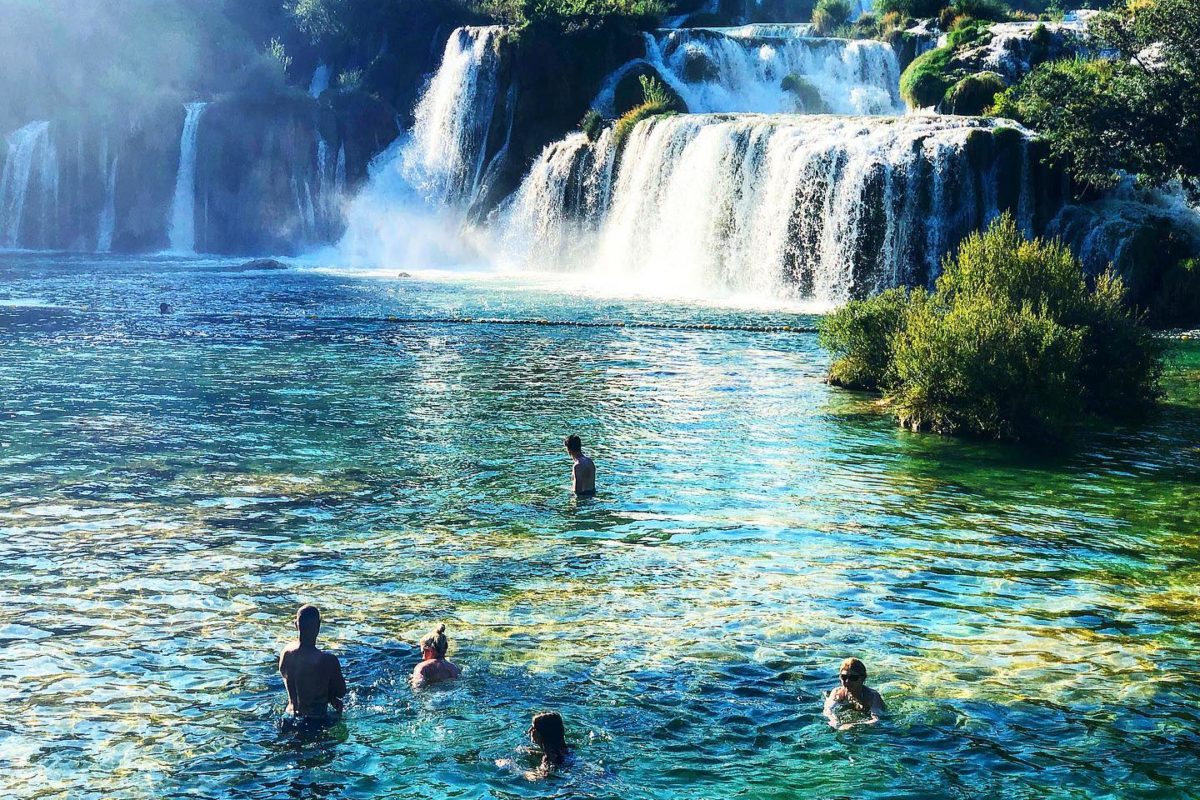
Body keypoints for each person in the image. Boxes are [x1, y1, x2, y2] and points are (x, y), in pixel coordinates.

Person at [278, 604, 347, 722]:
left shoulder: (286, 653)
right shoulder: (327, 660)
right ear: (318, 626)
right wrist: (331, 697)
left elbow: (297, 681)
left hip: (289, 717)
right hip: (315, 721)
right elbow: (341, 692)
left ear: (296, 625)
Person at [823, 657, 885, 730]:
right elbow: (828, 711)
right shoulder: (837, 693)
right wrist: (835, 722)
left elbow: (876, 720)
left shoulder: (872, 696)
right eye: (844, 677)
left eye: (853, 678)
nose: (847, 681)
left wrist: (853, 725)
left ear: (863, 679)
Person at [411, 623, 462, 688]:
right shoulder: (453, 668)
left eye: (423, 652)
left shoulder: (422, 668)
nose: (423, 657)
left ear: (430, 650)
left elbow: (417, 688)